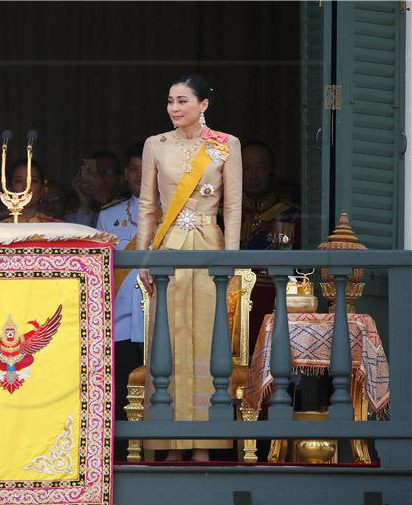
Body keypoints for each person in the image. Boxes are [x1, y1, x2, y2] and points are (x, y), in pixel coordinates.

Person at [136, 74, 242, 462]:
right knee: (168, 339)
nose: (174, 108)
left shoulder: (225, 145)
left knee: (206, 339)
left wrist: (231, 258)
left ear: (204, 105)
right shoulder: (155, 145)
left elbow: (232, 206)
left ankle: (204, 445)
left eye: (182, 101)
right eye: (170, 101)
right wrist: (144, 257)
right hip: (168, 251)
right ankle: (168, 443)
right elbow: (148, 207)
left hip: (210, 250)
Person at [96, 141, 145, 461]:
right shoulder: (109, 216)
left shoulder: (178, 216)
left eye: (146, 170)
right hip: (122, 324)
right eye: (133, 169)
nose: (139, 176)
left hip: (165, 323)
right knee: (121, 396)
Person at [240, 140, 299, 250]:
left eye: (261, 168)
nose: (253, 176)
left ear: (274, 172)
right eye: (246, 168)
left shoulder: (292, 215)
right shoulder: (221, 215)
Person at [0, 158, 61, 223]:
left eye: (33, 181)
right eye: (19, 181)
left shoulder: (58, 228)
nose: (26, 188)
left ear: (42, 189)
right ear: (9, 188)